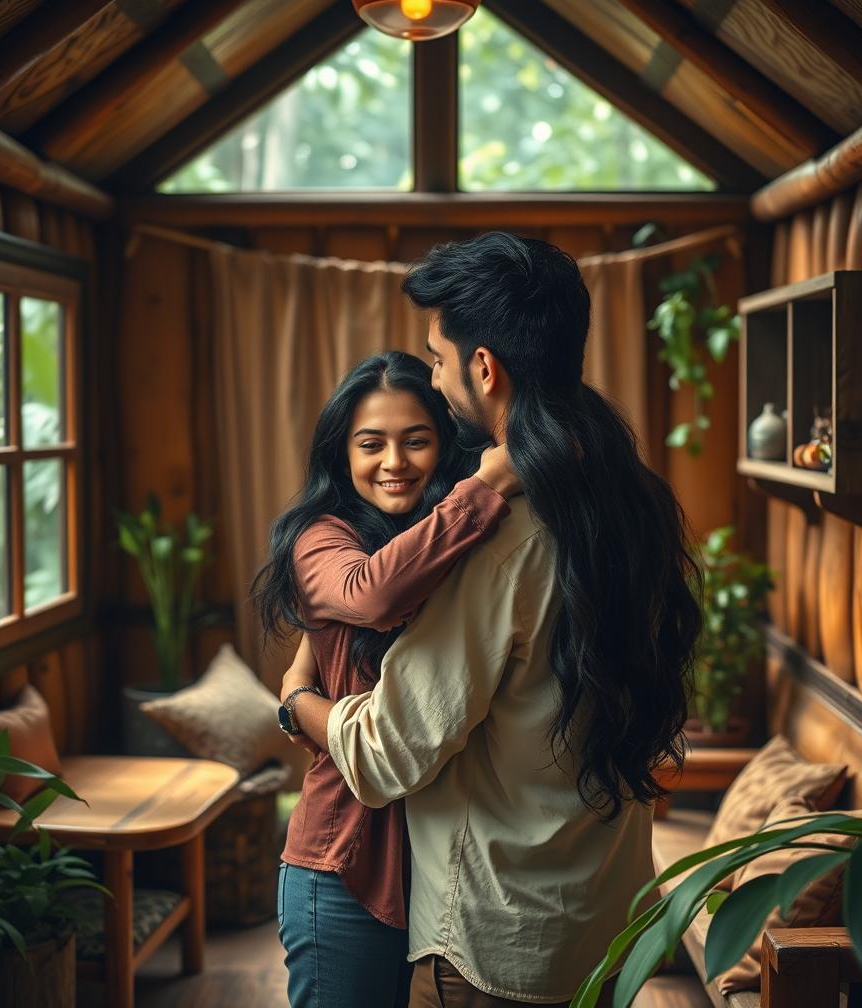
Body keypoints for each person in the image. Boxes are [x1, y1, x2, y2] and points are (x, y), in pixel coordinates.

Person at [280, 232, 703, 1007]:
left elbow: (385, 758)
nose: (436, 380)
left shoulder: (498, 537)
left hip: (496, 942)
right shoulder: (630, 494)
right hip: (605, 922)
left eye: (438, 359)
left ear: (484, 368)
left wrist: (298, 702)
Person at [254, 350, 520, 1008]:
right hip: (344, 858)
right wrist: (488, 486)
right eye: (371, 444)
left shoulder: (464, 543)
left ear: (445, 445)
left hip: (447, 870)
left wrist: (298, 696)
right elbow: (370, 596)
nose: (394, 463)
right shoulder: (321, 536)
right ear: (341, 453)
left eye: (416, 441)